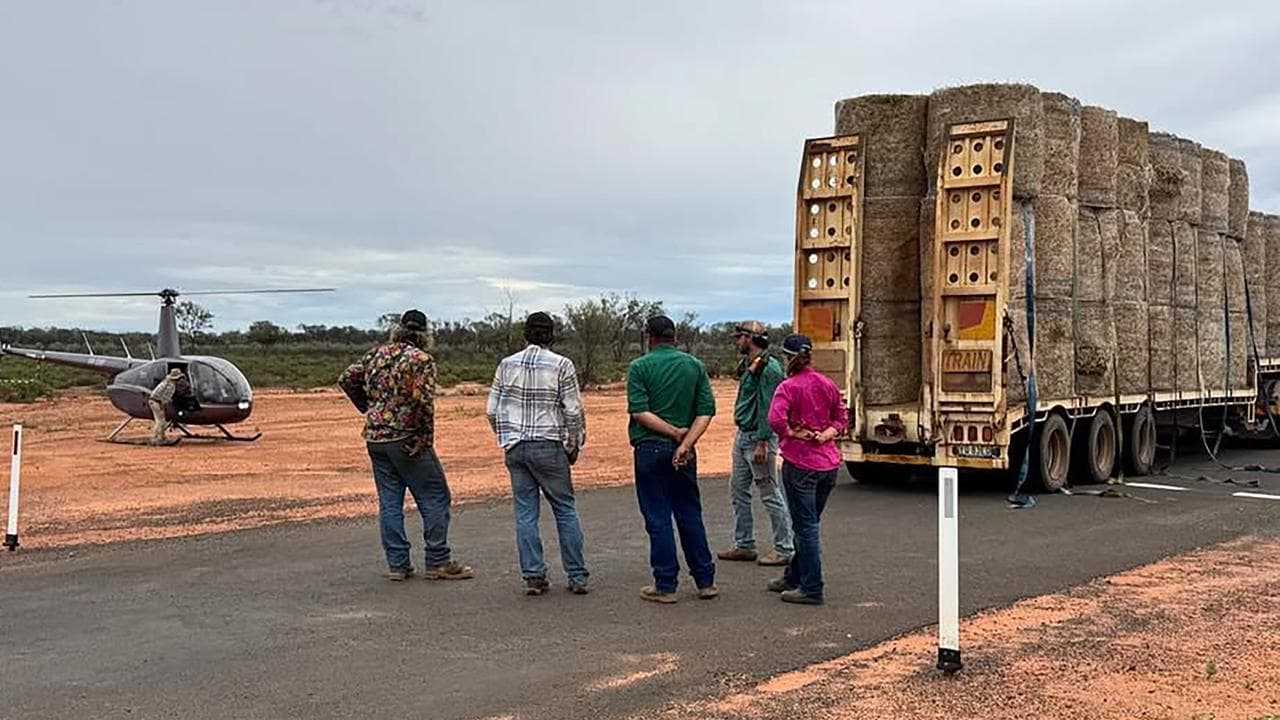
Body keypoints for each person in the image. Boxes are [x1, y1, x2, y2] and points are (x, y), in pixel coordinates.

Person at [339, 309, 473, 582]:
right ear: (425, 334)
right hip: (406, 437)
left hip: (376, 438)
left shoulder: (376, 354)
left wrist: (369, 407)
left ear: (398, 329)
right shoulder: (421, 360)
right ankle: (438, 560)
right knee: (435, 496)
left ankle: (398, 564)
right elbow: (423, 401)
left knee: (390, 502)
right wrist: (425, 437)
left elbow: (347, 378)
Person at [487, 312, 590, 596]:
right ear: (551, 335)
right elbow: (573, 410)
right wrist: (573, 445)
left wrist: (505, 437)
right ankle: (577, 575)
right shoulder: (562, 365)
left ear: (526, 334)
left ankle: (533, 575)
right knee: (565, 509)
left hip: (517, 446)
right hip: (549, 444)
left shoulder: (506, 365)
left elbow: (491, 410)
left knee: (525, 512)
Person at [627, 315, 718, 604]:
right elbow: (706, 411)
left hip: (650, 448)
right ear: (675, 336)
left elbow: (640, 411)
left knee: (657, 516)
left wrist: (673, 432)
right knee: (689, 511)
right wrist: (686, 442)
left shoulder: (639, 367)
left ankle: (665, 584)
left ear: (648, 336)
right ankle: (705, 581)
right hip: (685, 451)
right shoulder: (694, 366)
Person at [766, 334, 847, 605]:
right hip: (828, 462)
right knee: (808, 523)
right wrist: (826, 434)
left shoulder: (788, 387)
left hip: (800, 463)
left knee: (805, 527)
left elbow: (775, 419)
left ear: (788, 358)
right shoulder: (827, 384)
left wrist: (792, 433)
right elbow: (841, 418)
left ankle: (812, 587)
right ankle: (793, 576)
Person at [718, 321, 792, 567]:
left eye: (740, 337)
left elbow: (768, 407)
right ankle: (744, 544)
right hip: (744, 435)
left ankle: (784, 548)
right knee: (738, 490)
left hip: (758, 438)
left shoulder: (768, 370)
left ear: (749, 338)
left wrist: (762, 441)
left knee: (770, 493)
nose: (737, 341)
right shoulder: (753, 365)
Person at [148, 368, 184, 445]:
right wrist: (162, 406)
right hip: (157, 402)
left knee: (159, 420)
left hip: (154, 401)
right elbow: (164, 397)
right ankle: (160, 438)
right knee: (161, 421)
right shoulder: (170, 385)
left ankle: (158, 437)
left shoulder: (166, 382)